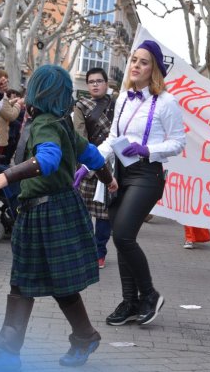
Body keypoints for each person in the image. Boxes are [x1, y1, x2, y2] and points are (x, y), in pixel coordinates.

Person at [0, 65, 117, 369]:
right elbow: (91, 153)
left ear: (39, 91)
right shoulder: (61, 122)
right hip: (56, 210)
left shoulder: (47, 124)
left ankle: (11, 351)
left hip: (45, 212)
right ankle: (77, 338)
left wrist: (7, 177)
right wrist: (107, 177)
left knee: (30, 283)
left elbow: (48, 160)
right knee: (44, 284)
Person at [86, 40, 186, 326]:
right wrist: (88, 163)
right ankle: (130, 302)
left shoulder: (167, 102)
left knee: (124, 236)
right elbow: (111, 139)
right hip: (121, 173)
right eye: (134, 60)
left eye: (143, 62)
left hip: (147, 175)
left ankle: (150, 295)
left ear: (153, 68)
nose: (136, 66)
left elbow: (178, 142)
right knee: (121, 238)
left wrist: (147, 150)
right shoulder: (123, 97)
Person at [73, 67, 115, 269]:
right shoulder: (81, 106)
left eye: (99, 81)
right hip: (88, 164)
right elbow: (80, 136)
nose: (95, 84)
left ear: (106, 84)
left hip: (111, 165)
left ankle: (100, 251)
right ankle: (88, 249)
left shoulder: (116, 104)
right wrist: (86, 160)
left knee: (104, 215)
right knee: (85, 211)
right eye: (91, 82)